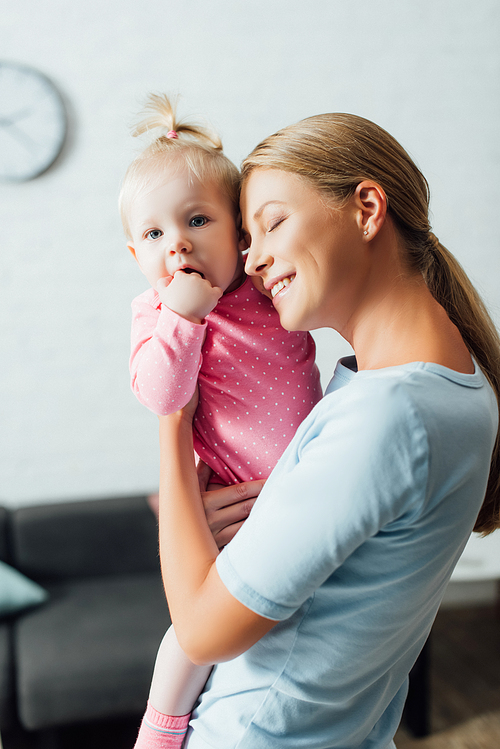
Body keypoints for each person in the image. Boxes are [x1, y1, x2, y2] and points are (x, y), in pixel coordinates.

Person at [155, 112, 500, 748]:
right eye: (247, 237)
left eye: (273, 223)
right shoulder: (450, 380)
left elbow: (203, 631)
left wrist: (173, 422)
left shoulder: (388, 415)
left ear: (367, 208)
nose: (252, 260)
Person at [119, 95, 322, 748]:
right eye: (153, 235)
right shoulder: (156, 316)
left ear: (239, 235)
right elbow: (160, 394)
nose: (175, 242)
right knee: (195, 631)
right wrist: (183, 317)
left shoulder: (264, 287)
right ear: (135, 254)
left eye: (197, 220)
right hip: (233, 498)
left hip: (306, 480)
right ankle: (163, 722)